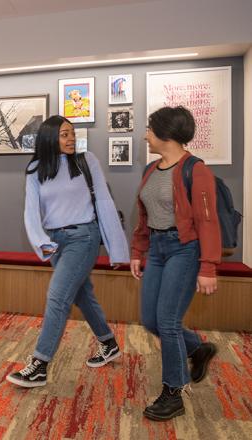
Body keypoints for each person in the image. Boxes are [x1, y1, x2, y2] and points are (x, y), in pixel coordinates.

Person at [6, 115, 129, 388]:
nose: (71, 138)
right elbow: (30, 211)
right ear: (50, 137)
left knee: (58, 297)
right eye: (64, 134)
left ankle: (39, 364)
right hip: (56, 241)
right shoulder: (36, 168)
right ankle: (108, 343)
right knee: (82, 295)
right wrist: (41, 242)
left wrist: (118, 249)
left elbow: (105, 202)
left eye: (72, 133)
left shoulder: (87, 161)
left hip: (84, 237)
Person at [130, 106, 220, 421]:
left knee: (167, 322)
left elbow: (207, 221)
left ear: (165, 134)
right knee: (151, 321)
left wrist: (208, 266)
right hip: (156, 248)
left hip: (185, 249)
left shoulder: (196, 170)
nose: (145, 135)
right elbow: (143, 216)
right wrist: (137, 251)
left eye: (150, 129)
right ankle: (198, 348)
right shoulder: (150, 170)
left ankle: (173, 392)